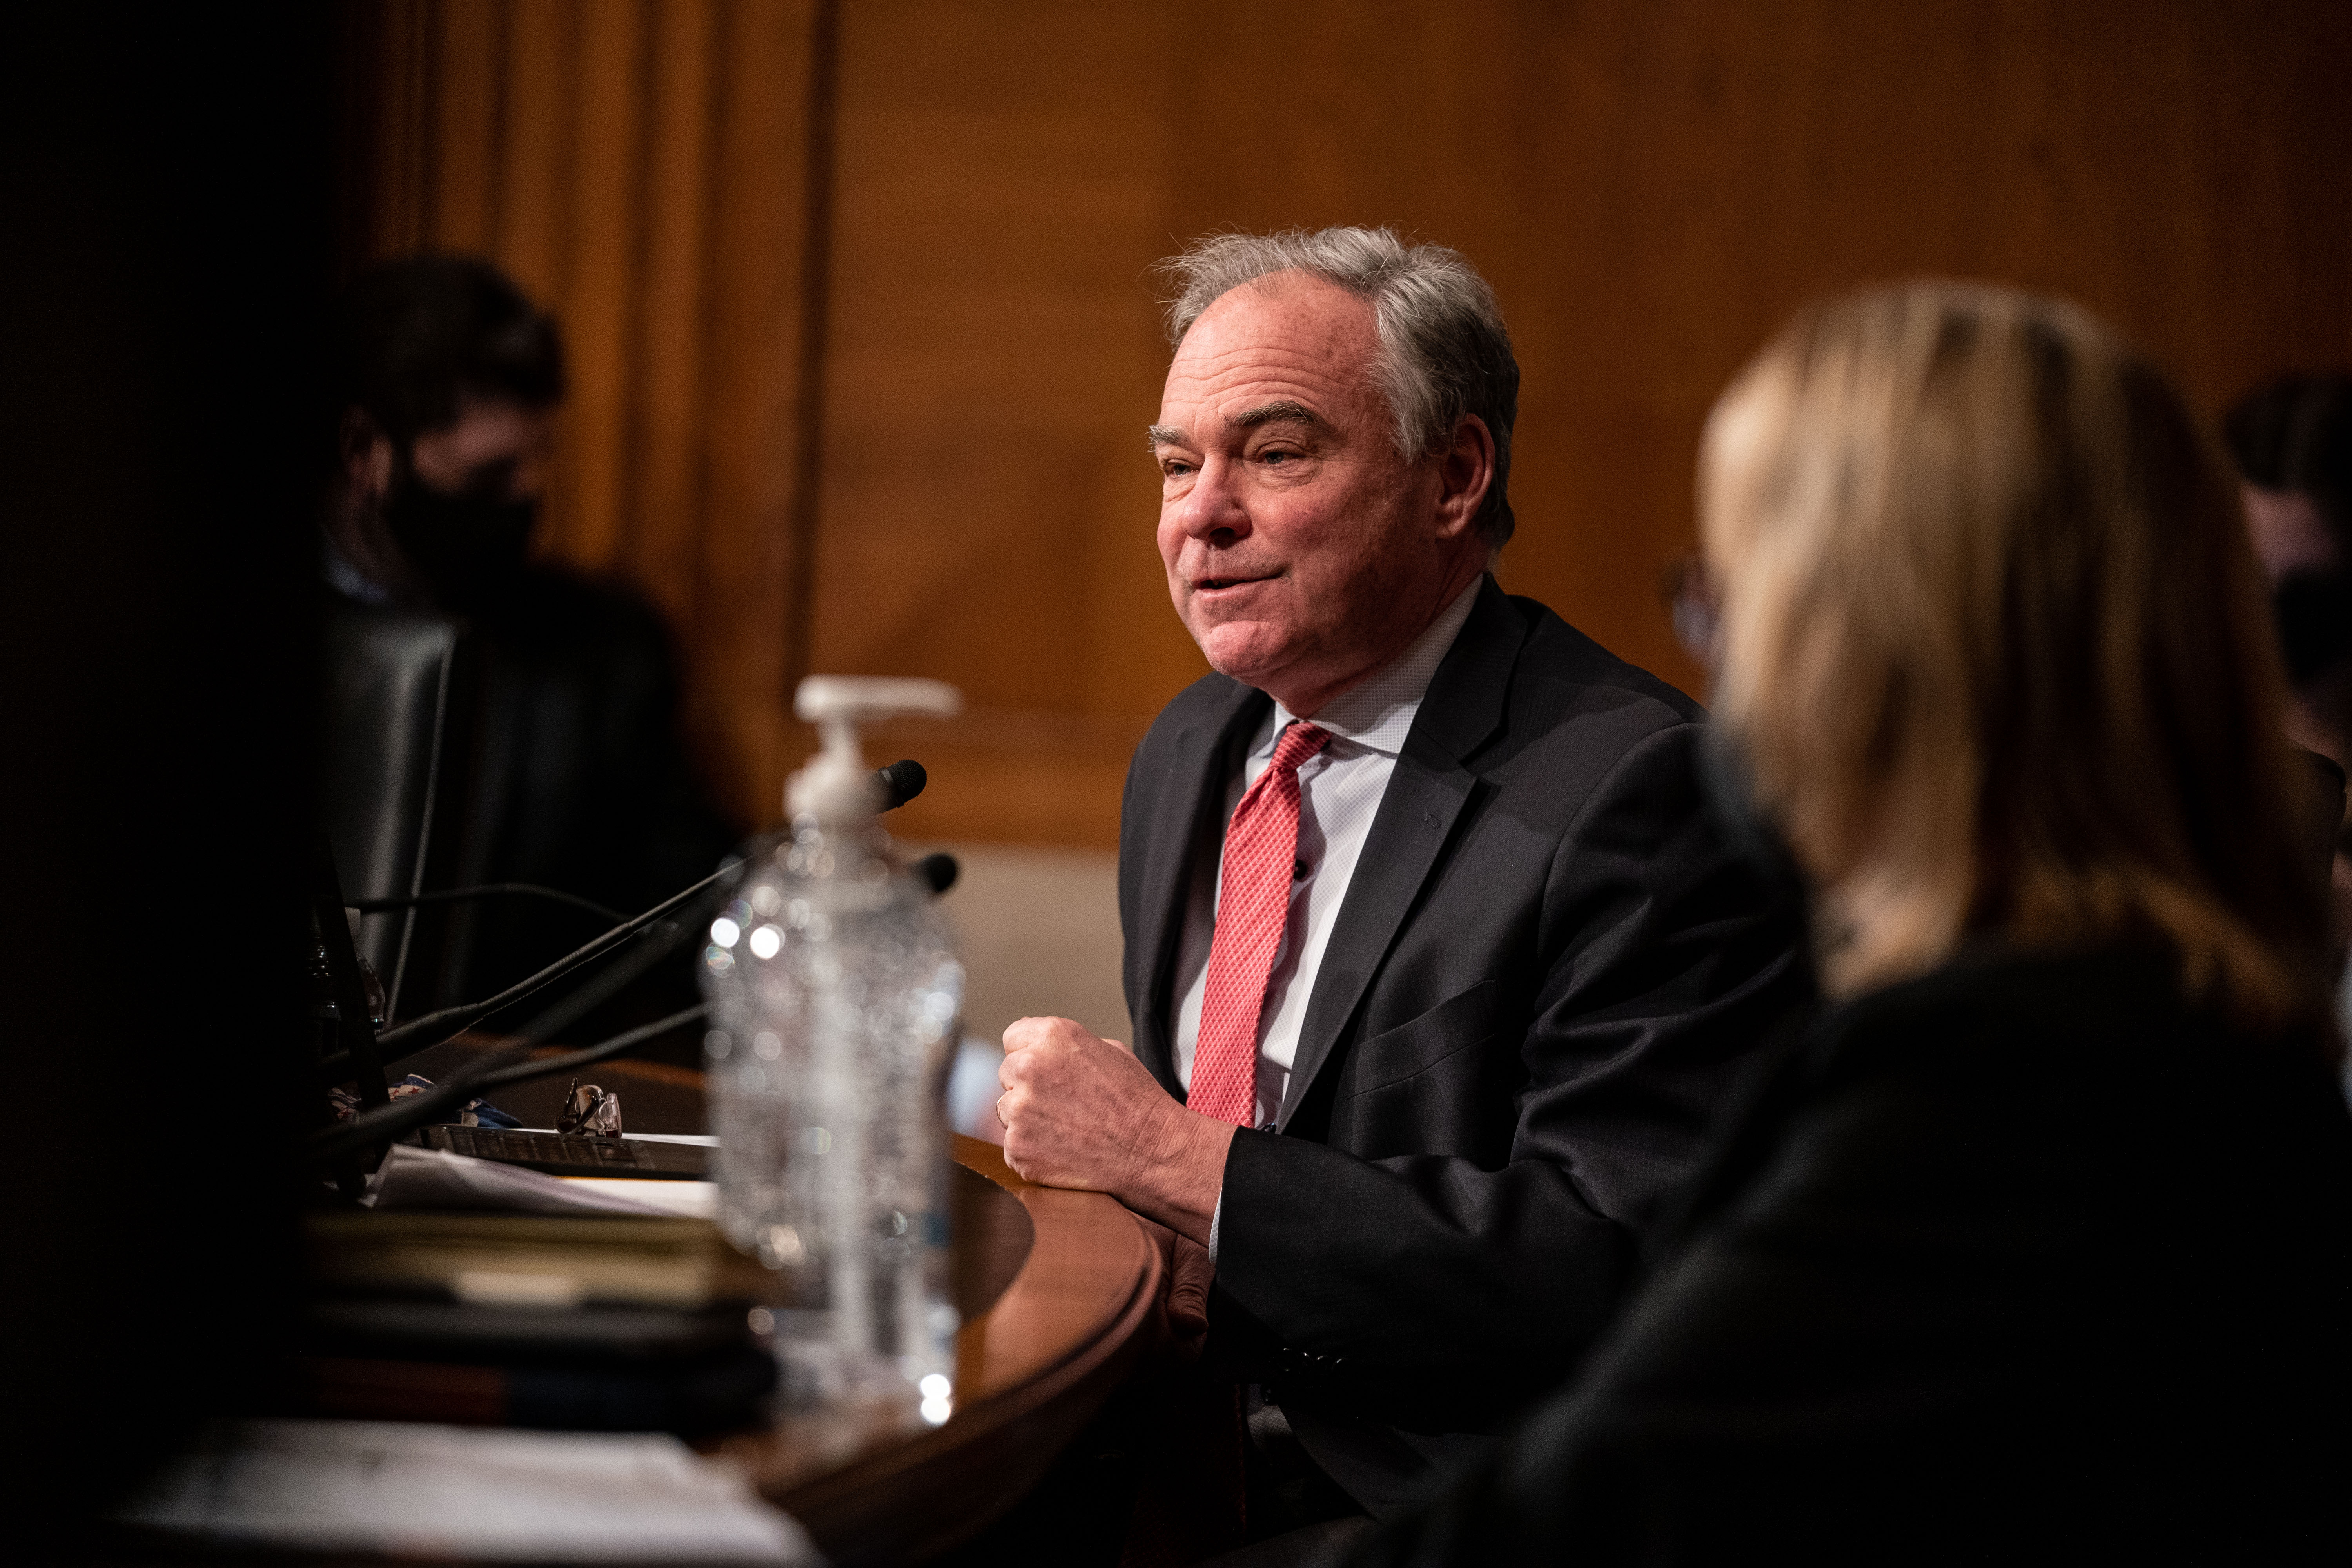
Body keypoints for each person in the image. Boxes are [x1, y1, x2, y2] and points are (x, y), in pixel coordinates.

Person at [1347, 283, 2352, 1565]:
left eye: (1737, 600)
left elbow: (1574, 1529)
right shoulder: (2191, 1017)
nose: (1725, 670)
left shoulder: (2006, 1096)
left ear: (1882, 647)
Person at [992, 227, 1811, 1543]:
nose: (1204, 512)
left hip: (1431, 1497)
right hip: (1150, 1439)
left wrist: (1168, 1153)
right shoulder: (1191, 747)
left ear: (1454, 476)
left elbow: (1605, 1270)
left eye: (1274, 452)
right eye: (1175, 466)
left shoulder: (1640, 793)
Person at [322, 254, 736, 1038]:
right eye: (489, 476)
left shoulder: (604, 652)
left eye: (535, 466)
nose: (522, 504)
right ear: (360, 452)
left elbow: (690, 905)